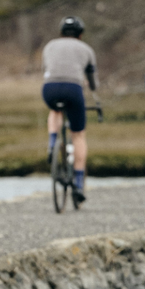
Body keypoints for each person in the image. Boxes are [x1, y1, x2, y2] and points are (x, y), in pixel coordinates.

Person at [41, 16, 97, 202]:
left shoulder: (50, 46)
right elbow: (92, 80)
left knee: (55, 110)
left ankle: (51, 143)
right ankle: (79, 183)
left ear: (61, 32)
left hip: (49, 88)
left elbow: (47, 68)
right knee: (78, 135)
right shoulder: (86, 49)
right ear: (80, 35)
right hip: (73, 89)